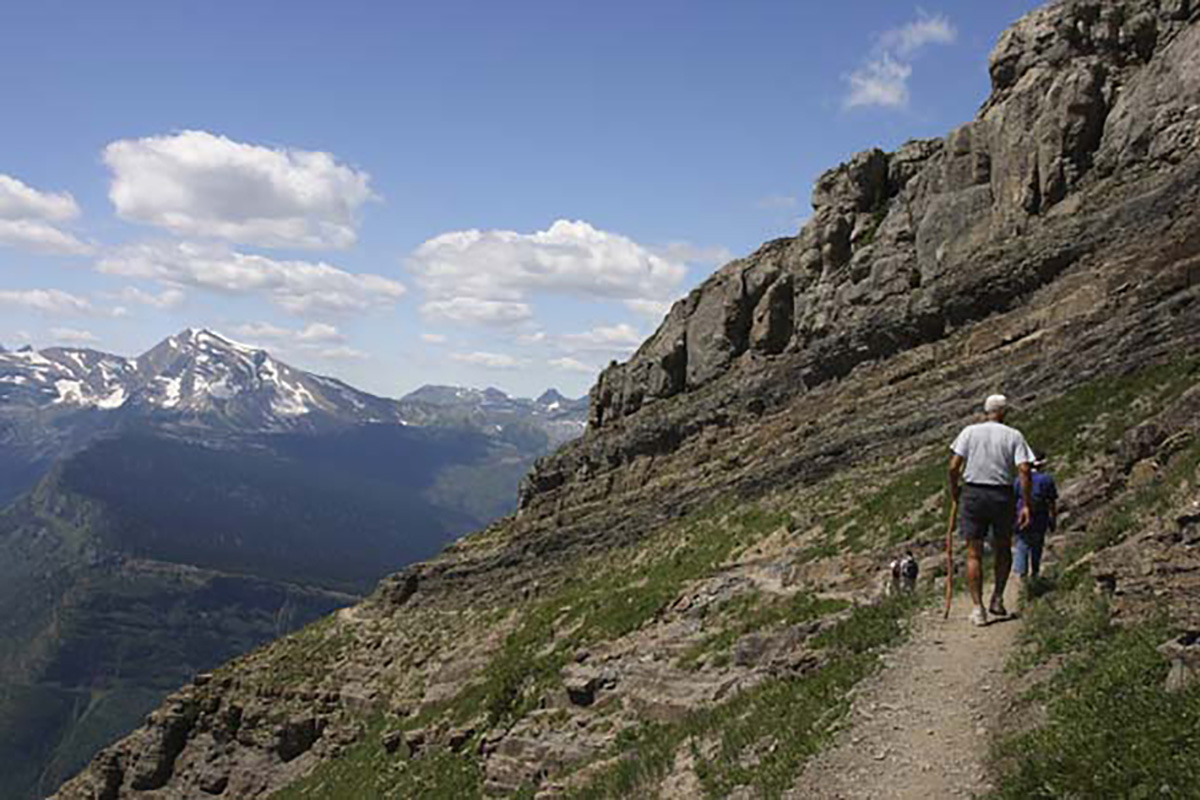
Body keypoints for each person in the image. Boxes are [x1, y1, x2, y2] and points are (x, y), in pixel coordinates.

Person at [947, 394, 1036, 626]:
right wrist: (1025, 503)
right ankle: (997, 597)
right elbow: (1025, 470)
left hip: (973, 493)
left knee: (973, 553)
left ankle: (978, 609)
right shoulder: (1014, 435)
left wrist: (954, 489)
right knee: (1003, 547)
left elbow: (953, 465)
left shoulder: (969, 432)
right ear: (1004, 412)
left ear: (986, 410)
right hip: (1002, 496)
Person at [1013, 454, 1058, 603]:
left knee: (1022, 545)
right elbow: (1051, 501)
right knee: (1037, 545)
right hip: (1040, 516)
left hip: (1021, 515)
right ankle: (1035, 573)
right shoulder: (1046, 479)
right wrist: (1053, 518)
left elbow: (1013, 498)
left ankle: (1021, 576)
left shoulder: (1018, 480)